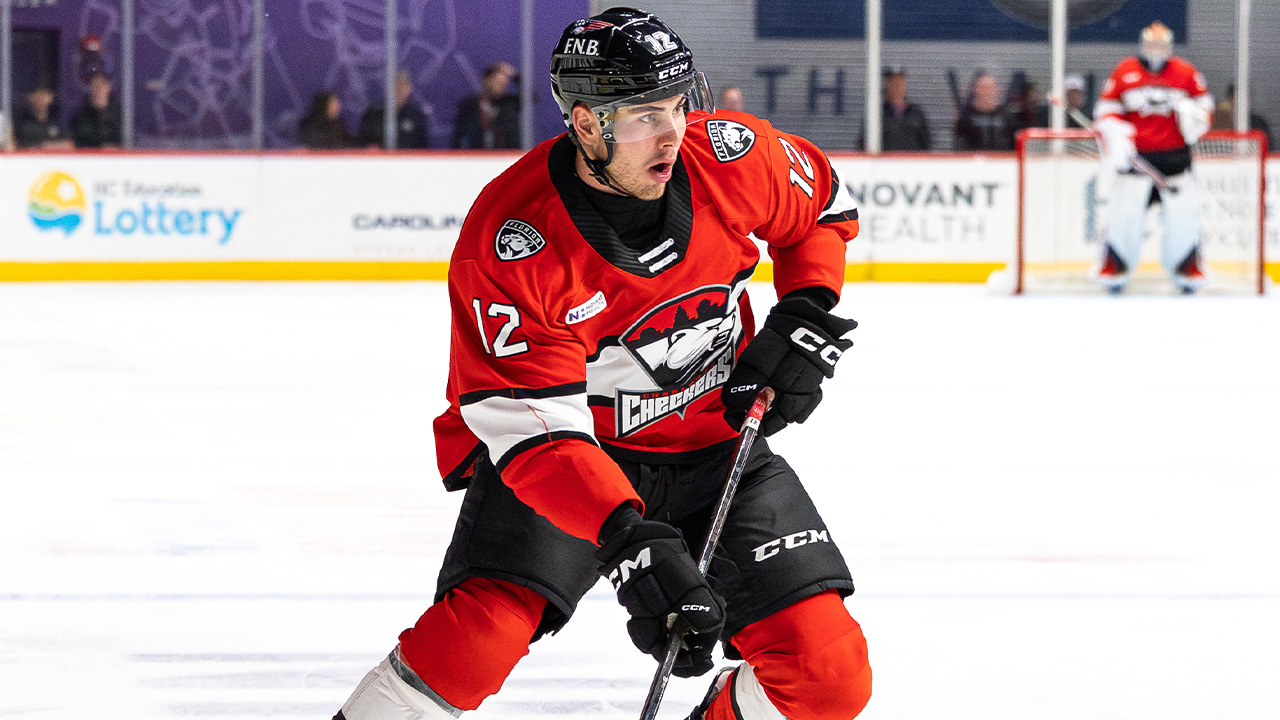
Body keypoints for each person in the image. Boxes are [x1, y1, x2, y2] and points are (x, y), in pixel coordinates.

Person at [331, 7, 871, 720]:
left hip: (715, 452)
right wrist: (625, 538)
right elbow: (535, 431)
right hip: (575, 461)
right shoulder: (516, 239)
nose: (673, 132)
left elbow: (820, 206)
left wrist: (805, 308)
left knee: (828, 674)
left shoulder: (729, 158)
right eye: (646, 115)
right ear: (587, 125)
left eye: (678, 105)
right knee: (474, 643)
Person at [1092, 20, 1214, 294]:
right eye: (1151, 43)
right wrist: (1116, 133)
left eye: (1161, 44)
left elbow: (1205, 107)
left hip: (1174, 163)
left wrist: (1194, 118)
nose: (1156, 49)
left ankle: (1186, 266)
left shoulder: (1186, 73)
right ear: (1142, 44)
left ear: (1170, 46)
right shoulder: (1124, 71)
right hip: (1135, 162)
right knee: (1123, 216)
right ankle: (1116, 265)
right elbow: (1106, 109)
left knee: (1184, 218)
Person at [859, 66, 931, 151]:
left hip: (911, 159)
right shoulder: (876, 114)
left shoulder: (916, 113)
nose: (896, 86)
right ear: (886, 85)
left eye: (900, 82)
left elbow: (926, 144)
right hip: (885, 159)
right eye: (892, 82)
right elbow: (864, 144)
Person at [451, 62, 519, 149]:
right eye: (498, 83)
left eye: (504, 85)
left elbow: (529, 96)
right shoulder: (469, 105)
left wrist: (516, 75)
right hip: (476, 153)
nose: (501, 88)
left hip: (506, 154)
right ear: (486, 80)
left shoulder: (509, 104)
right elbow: (459, 135)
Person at [360, 70, 431, 149]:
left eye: (402, 86)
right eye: (395, 86)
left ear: (409, 89)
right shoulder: (372, 114)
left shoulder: (416, 116)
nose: (398, 90)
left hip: (408, 156)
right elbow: (362, 144)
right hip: (379, 157)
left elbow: (422, 148)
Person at [953, 71, 1019, 150]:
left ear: (996, 89)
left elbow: (1015, 142)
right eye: (982, 87)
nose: (986, 91)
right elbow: (959, 144)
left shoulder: (1007, 116)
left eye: (989, 87)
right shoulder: (966, 117)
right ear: (975, 89)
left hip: (1001, 157)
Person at [70, 71, 123, 148]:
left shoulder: (119, 113)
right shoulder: (82, 114)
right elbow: (78, 140)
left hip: (116, 154)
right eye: (95, 85)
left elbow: (125, 138)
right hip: (89, 154)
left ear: (108, 87)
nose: (99, 89)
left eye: (102, 85)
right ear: (90, 88)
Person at [1211, 83, 1272, 147]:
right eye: (1241, 97)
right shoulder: (1220, 118)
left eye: (1248, 97)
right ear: (1231, 99)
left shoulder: (1258, 122)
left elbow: (1268, 144)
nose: (1246, 101)